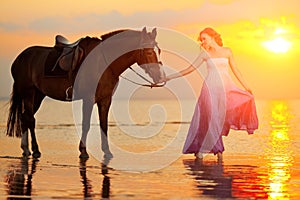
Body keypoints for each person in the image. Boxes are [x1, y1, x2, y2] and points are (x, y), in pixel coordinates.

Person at [160, 27, 258, 160]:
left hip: (225, 90)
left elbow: (236, 70)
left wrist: (247, 87)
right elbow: (190, 68)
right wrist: (169, 77)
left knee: (218, 119)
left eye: (204, 39)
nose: (202, 42)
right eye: (201, 40)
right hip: (209, 90)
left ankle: (212, 150)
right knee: (211, 119)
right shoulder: (204, 54)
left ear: (212, 37)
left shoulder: (227, 51)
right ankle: (216, 151)